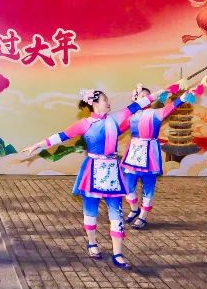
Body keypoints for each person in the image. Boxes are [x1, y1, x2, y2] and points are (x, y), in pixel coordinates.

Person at [21, 85, 155, 269]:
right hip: (92, 172)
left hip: (112, 172)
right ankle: (92, 243)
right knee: (90, 211)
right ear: (95, 104)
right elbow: (61, 136)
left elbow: (139, 105)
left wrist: (168, 91)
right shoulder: (85, 124)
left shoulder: (115, 118)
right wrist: (37, 145)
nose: (108, 103)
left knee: (116, 213)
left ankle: (118, 254)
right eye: (105, 100)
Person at [122, 83, 200, 229]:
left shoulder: (155, 113)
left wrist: (182, 98)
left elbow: (170, 108)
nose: (146, 98)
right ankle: (134, 208)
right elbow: (116, 130)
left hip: (150, 153)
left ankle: (143, 216)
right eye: (142, 96)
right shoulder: (130, 116)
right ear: (135, 98)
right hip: (133, 153)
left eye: (148, 96)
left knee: (148, 185)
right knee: (128, 184)